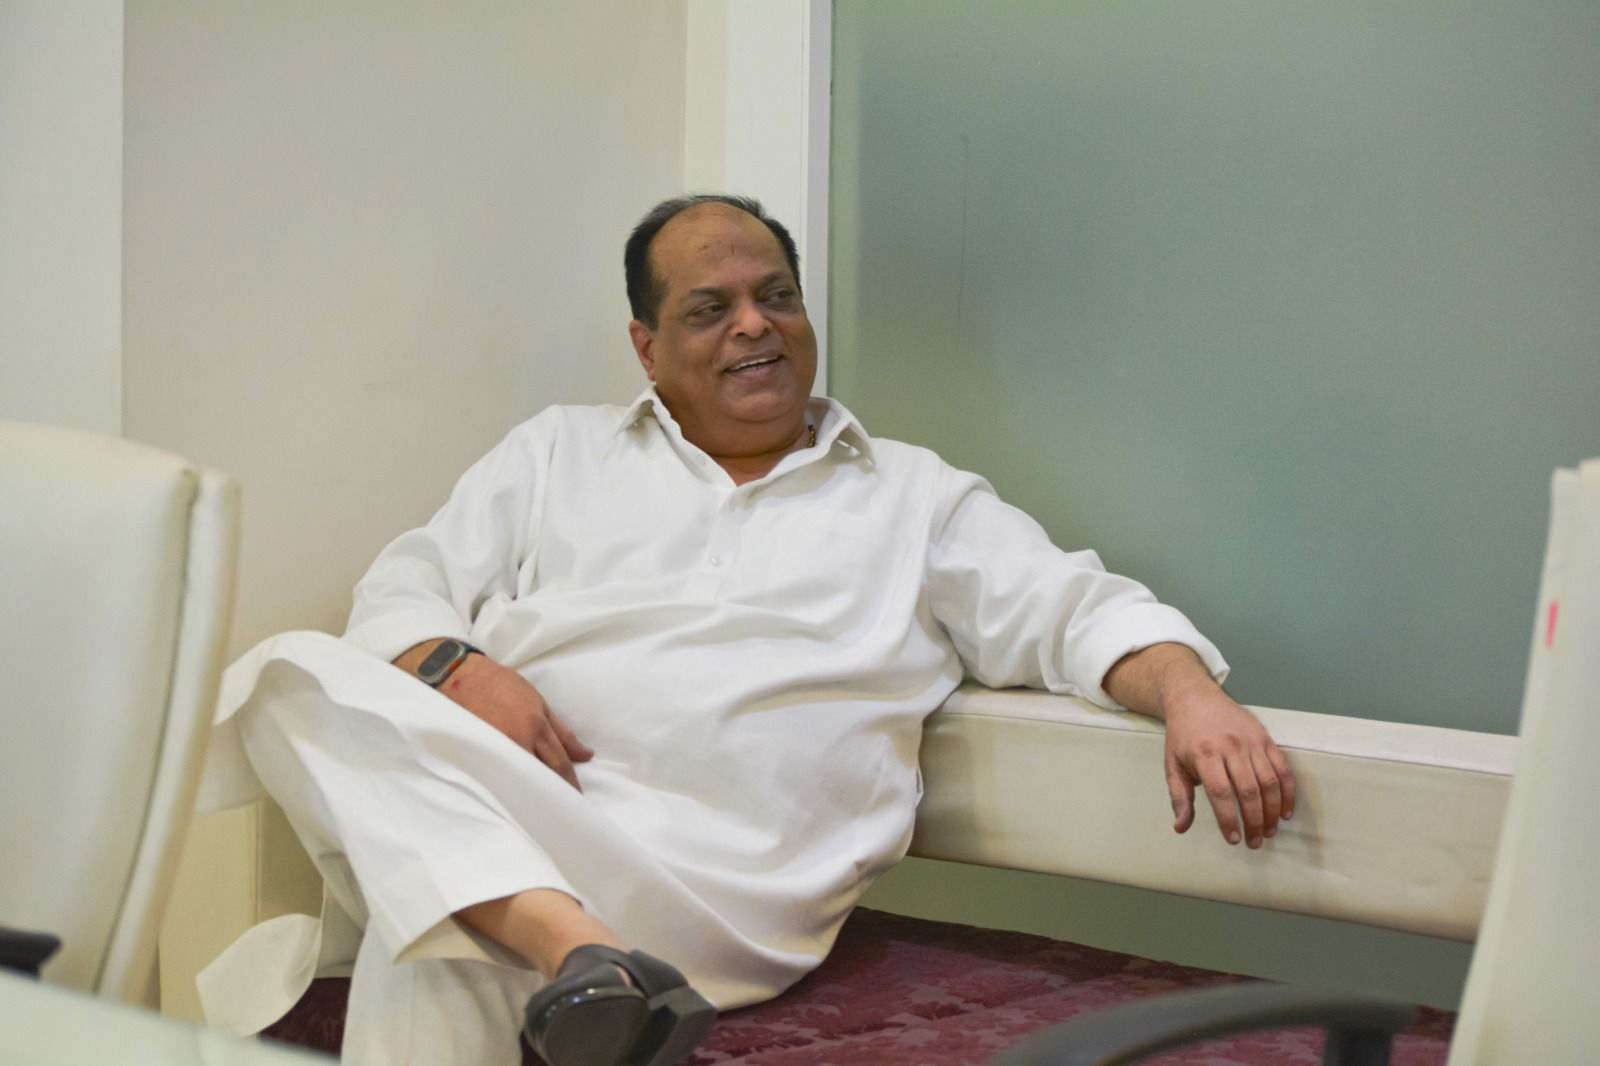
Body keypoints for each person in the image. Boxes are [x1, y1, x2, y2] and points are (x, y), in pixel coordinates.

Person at [206, 194, 1295, 1066]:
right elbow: (401, 591)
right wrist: (460, 667)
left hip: (726, 894)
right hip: (533, 827)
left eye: (776, 297)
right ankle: (574, 949)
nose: (754, 325)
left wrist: (1190, 693)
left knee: (431, 907)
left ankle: (570, 942)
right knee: (283, 678)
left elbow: (1076, 608)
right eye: (709, 308)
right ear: (645, 346)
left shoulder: (911, 496)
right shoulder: (555, 454)